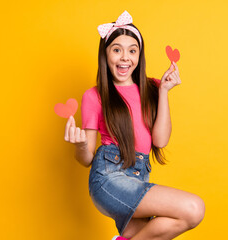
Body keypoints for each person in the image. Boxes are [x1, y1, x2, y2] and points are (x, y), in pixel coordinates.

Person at [64, 10, 205, 240]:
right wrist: (80, 145)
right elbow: (86, 158)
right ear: (106, 55)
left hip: (139, 176)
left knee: (153, 234)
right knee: (194, 208)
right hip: (108, 178)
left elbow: (160, 140)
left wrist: (164, 92)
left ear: (140, 55)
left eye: (132, 50)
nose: (125, 57)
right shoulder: (95, 95)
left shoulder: (152, 88)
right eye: (116, 50)